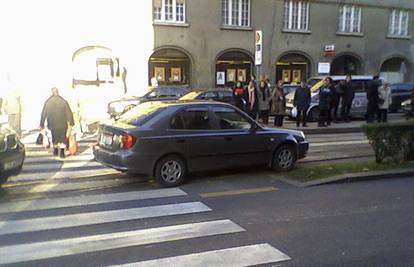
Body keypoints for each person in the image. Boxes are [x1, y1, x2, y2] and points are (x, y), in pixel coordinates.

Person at [40, 87, 75, 158]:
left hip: (52, 123)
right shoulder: (63, 101)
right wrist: (71, 122)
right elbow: (69, 113)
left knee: (54, 137)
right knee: (62, 138)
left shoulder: (48, 102)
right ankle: (62, 153)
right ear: (58, 92)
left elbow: (43, 113)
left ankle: (55, 150)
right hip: (62, 124)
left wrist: (42, 123)